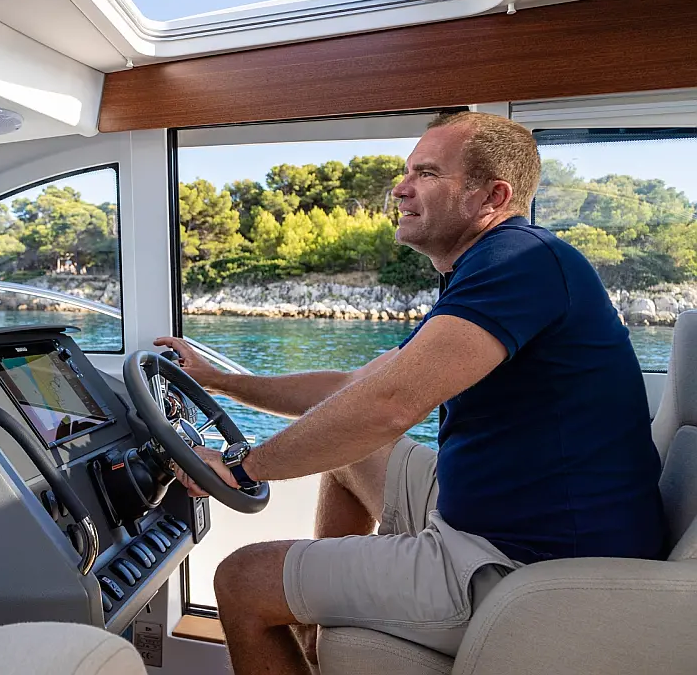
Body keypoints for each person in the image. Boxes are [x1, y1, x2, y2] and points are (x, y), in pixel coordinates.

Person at [155, 111, 667, 675]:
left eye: (426, 173)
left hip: (528, 561)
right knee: (351, 454)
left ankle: (305, 610)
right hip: (496, 513)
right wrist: (218, 380)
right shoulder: (489, 268)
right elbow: (354, 389)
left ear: (492, 197)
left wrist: (244, 467)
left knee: (241, 579)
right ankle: (316, 630)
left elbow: (389, 407)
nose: (400, 188)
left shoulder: (521, 262)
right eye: (406, 172)